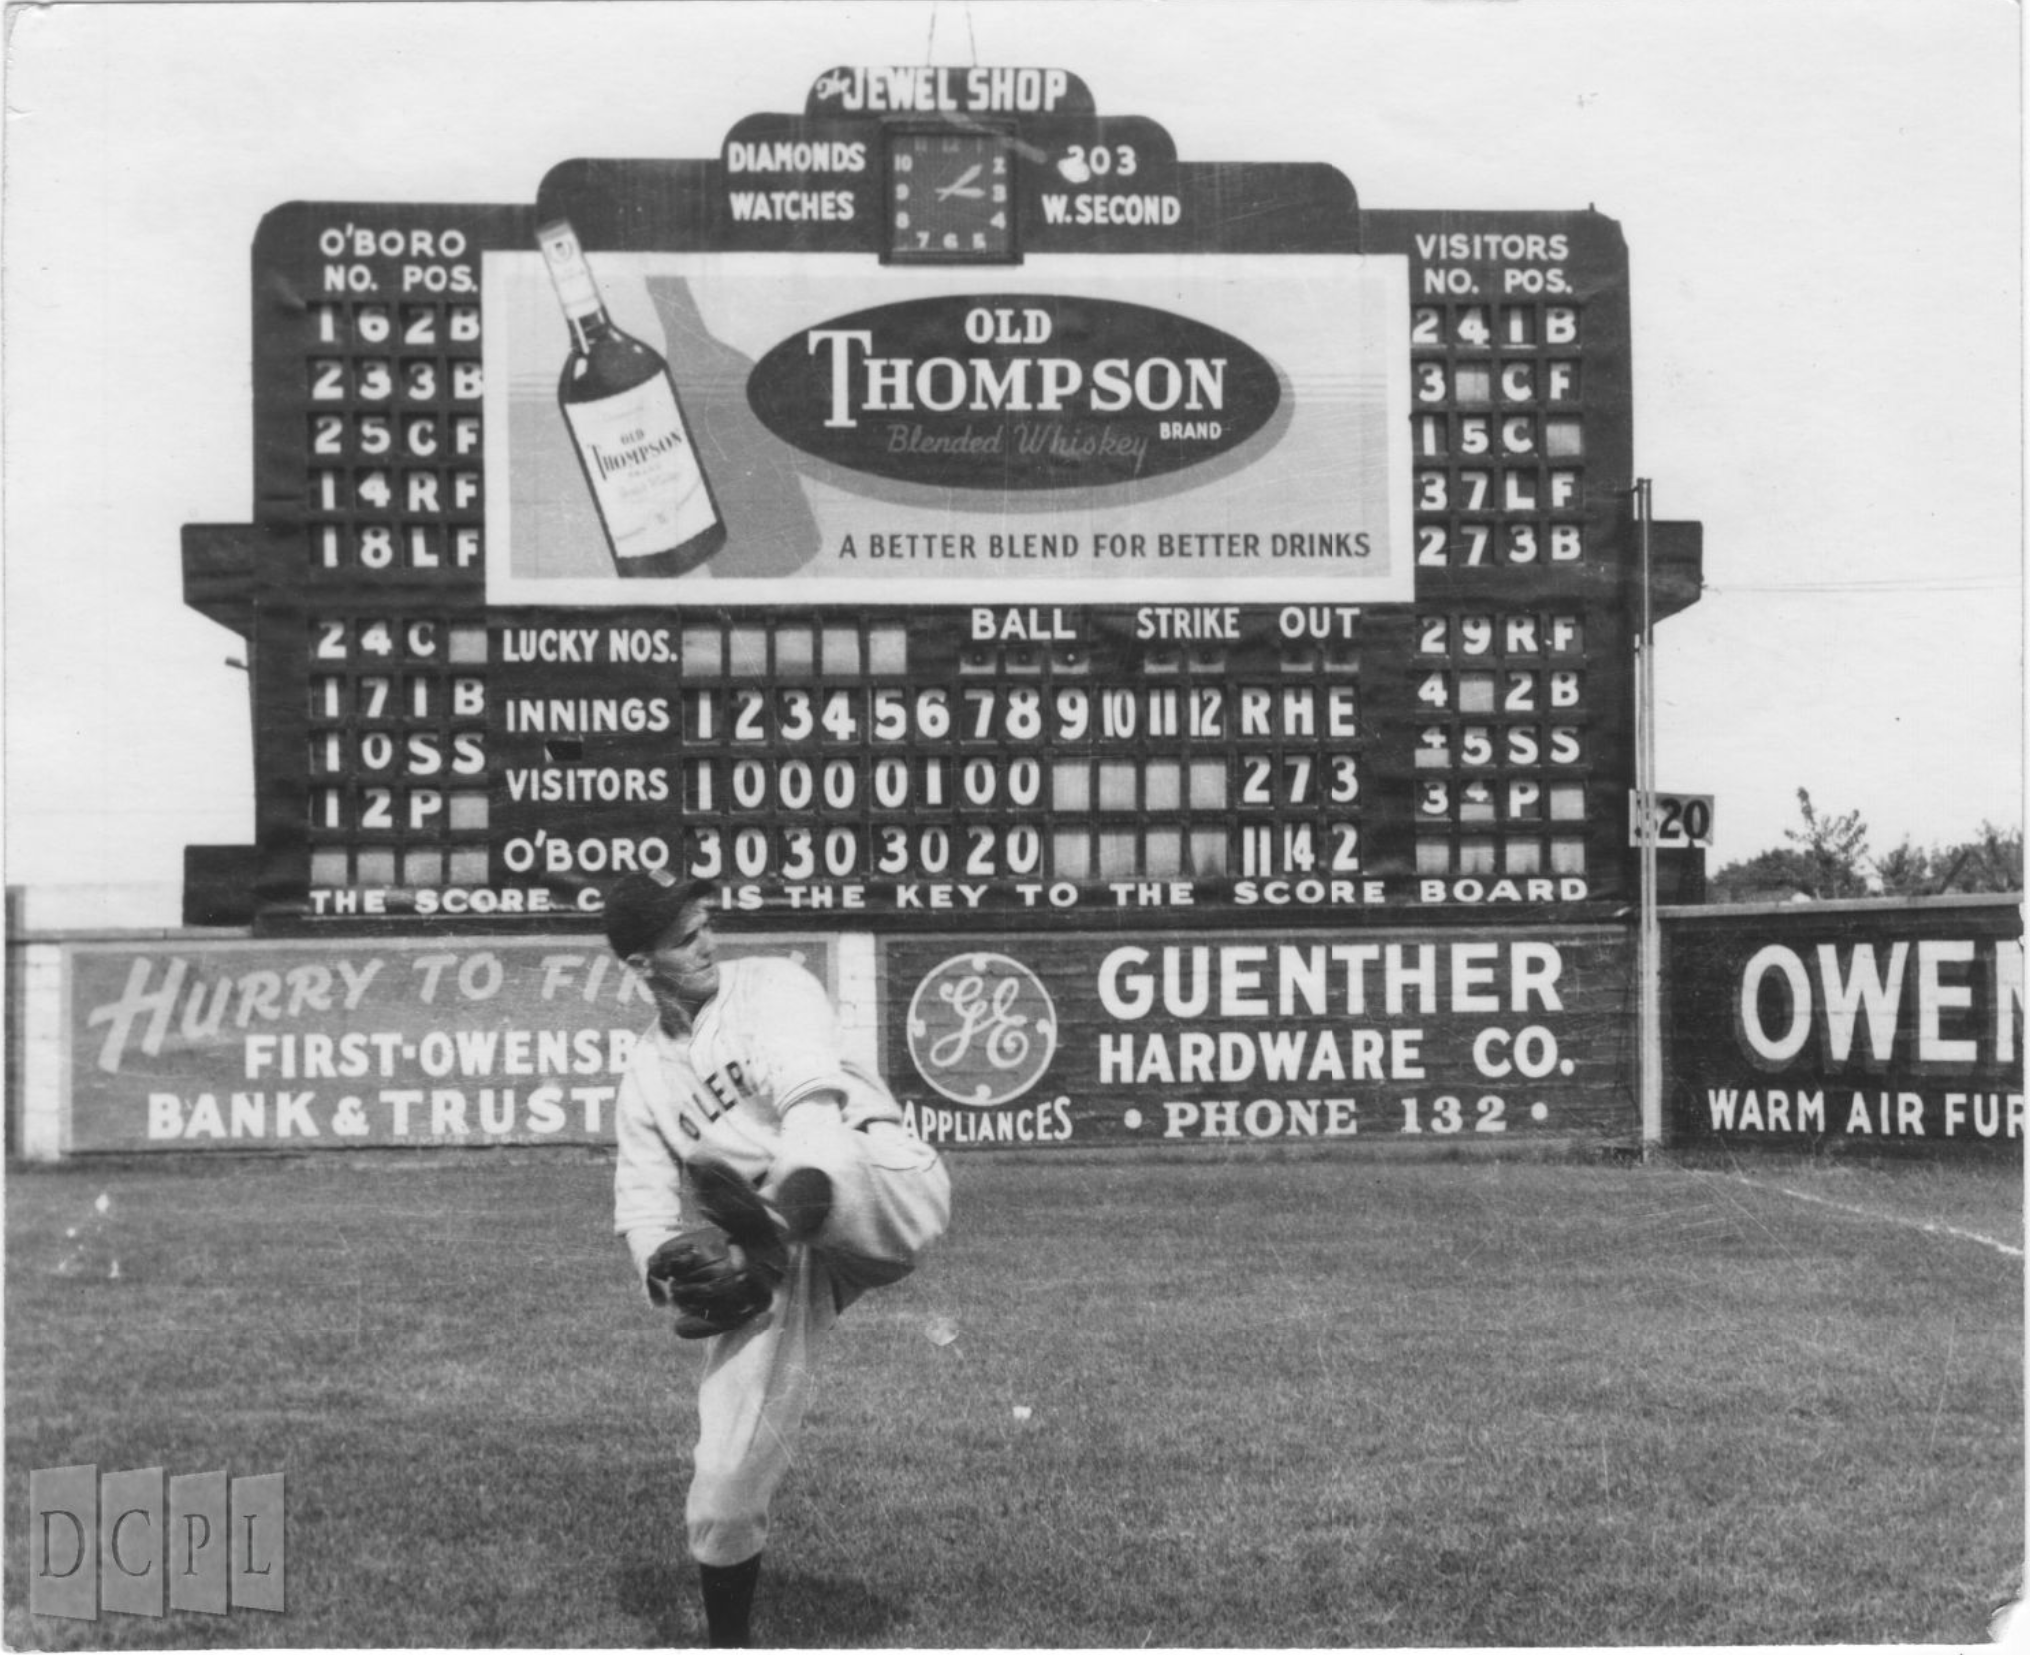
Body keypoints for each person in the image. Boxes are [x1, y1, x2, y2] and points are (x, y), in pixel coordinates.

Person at [604, 869, 952, 1648]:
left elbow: (815, 1121)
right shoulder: (644, 1078)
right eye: (687, 937)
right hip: (778, 1254)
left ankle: (760, 1232)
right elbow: (641, 1210)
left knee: (827, 1164)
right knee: (726, 1462)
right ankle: (728, 1638)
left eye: (707, 924)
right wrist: (670, 1273)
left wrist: (769, 1222)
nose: (711, 943)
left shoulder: (772, 990)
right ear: (639, 965)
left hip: (880, 1183)